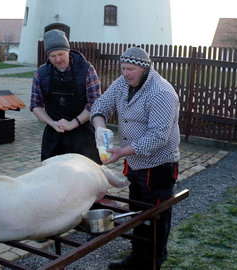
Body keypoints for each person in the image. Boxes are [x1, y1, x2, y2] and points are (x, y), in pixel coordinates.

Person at [90, 46, 180, 270]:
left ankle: (153, 261)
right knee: (139, 212)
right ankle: (137, 257)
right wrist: (99, 127)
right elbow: (101, 104)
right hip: (135, 162)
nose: (125, 73)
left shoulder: (161, 93)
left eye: (130, 69)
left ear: (144, 68)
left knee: (156, 215)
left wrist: (121, 152)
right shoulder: (123, 83)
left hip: (159, 165)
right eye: (123, 68)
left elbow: (158, 137)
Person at [30, 29, 102, 163]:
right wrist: (51, 123)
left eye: (61, 54)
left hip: (83, 135)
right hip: (54, 134)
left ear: (68, 51)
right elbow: (35, 105)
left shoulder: (86, 69)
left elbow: (95, 102)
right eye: (52, 56)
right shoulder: (41, 73)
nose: (57, 59)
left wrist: (73, 123)